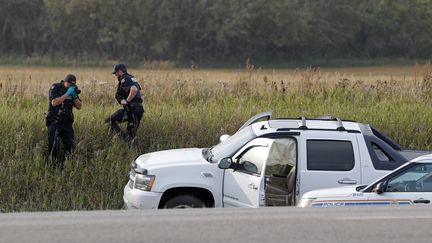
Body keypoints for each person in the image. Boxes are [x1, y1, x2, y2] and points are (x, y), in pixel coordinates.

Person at [45, 74, 82, 168]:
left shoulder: (73, 90)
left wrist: (74, 97)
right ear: (65, 82)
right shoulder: (56, 87)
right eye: (69, 84)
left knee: (70, 145)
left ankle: (67, 166)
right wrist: (66, 95)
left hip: (67, 122)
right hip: (54, 121)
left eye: (73, 85)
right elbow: (54, 103)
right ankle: (52, 166)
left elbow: (79, 106)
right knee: (53, 146)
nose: (71, 86)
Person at [108, 63, 144, 145]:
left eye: (116, 73)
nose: (116, 75)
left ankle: (122, 136)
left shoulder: (124, 78)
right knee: (131, 134)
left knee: (111, 120)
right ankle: (132, 146)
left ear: (120, 71)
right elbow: (140, 93)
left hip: (132, 109)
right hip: (139, 108)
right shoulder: (132, 78)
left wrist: (127, 101)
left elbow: (134, 89)